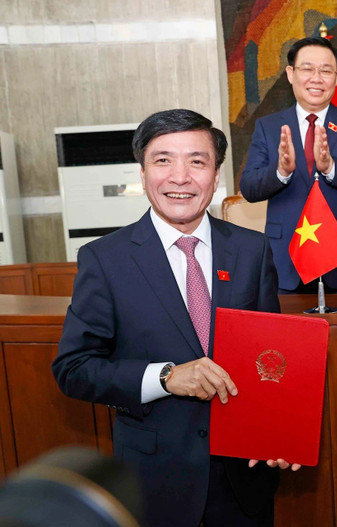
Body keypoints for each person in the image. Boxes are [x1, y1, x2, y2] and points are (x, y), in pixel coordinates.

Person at [52, 109, 298, 527]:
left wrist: (277, 433)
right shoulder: (105, 259)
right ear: (143, 172)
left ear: (215, 176)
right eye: (163, 160)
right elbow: (74, 369)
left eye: (197, 161)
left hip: (244, 477)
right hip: (154, 480)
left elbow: (270, 358)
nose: (180, 177)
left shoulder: (252, 250)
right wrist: (165, 377)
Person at [240, 36, 337, 294]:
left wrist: (331, 167)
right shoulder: (268, 127)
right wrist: (281, 172)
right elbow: (249, 187)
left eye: (326, 71)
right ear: (290, 74)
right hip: (286, 264)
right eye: (307, 69)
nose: (316, 78)